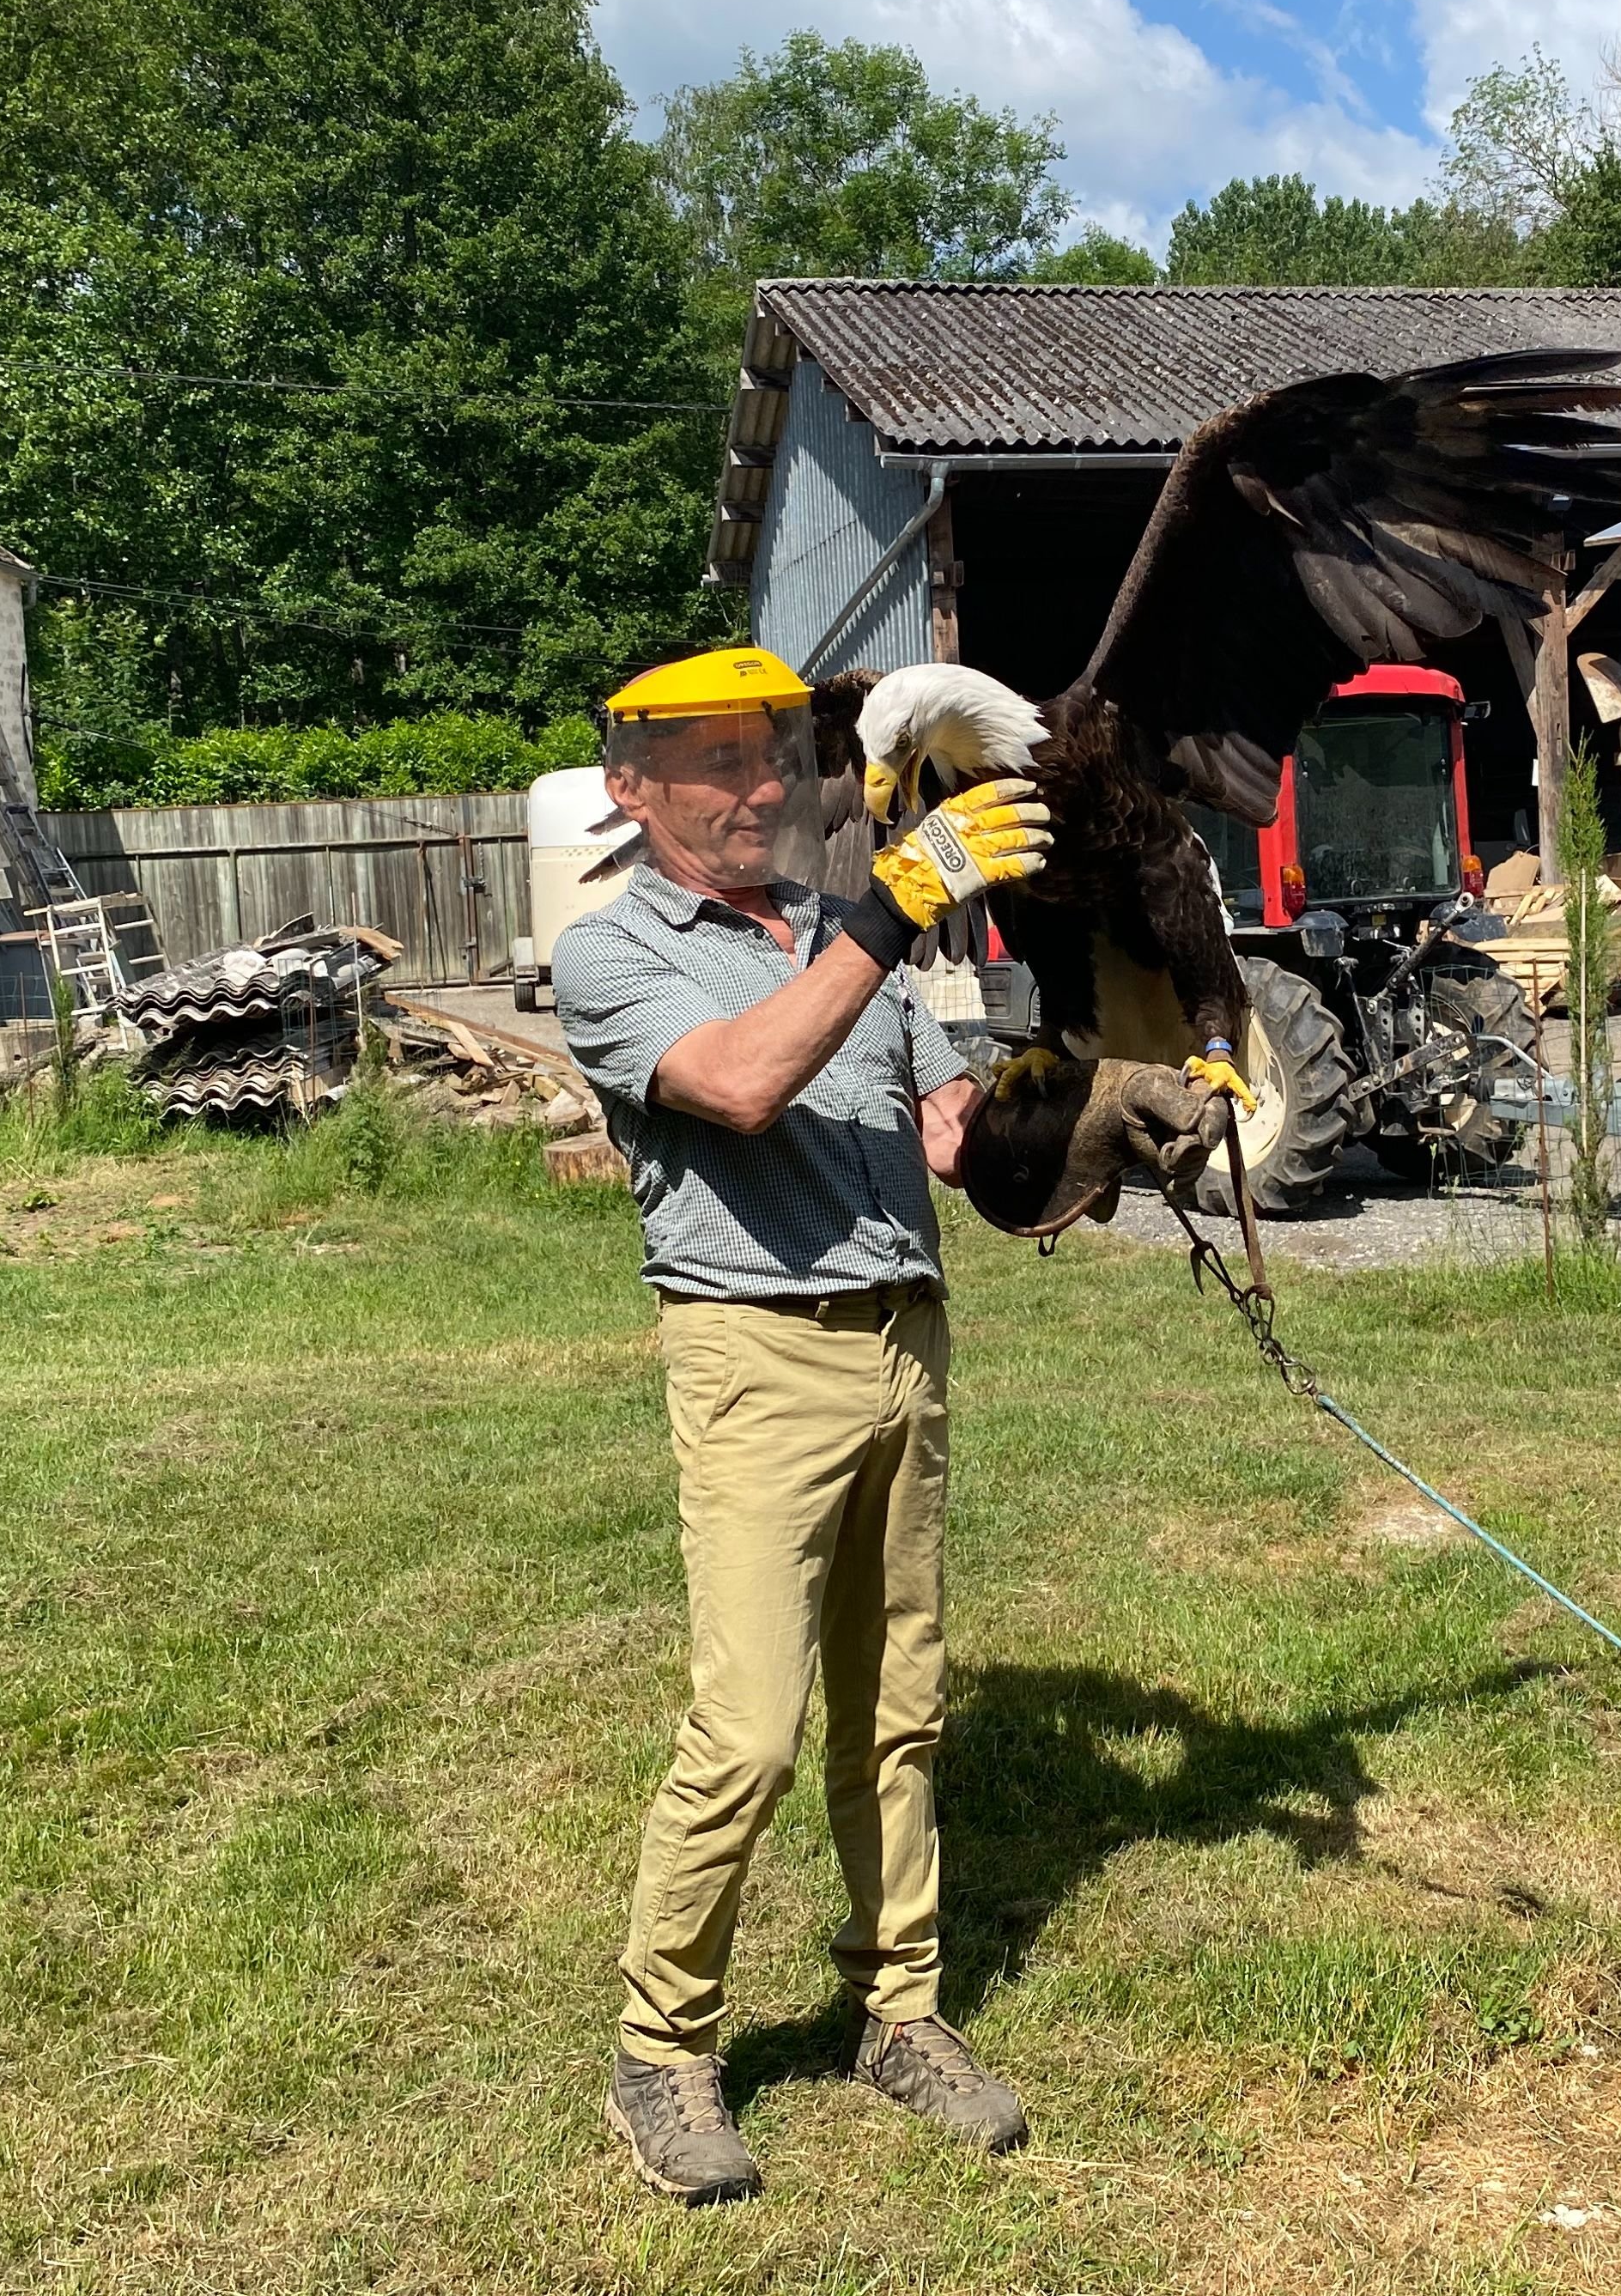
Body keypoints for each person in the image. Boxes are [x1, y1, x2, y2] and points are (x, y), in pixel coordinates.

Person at [552, 647, 1055, 2208]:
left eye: (772, 754)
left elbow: (941, 1137)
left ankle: (896, 2013)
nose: (759, 786)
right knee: (751, 1727)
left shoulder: (856, 942)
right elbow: (751, 1084)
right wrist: (894, 913)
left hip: (906, 1341)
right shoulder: (614, 953)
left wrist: (1090, 1098)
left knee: (896, 1711)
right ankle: (662, 2047)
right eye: (714, 763)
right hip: (756, 1361)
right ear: (633, 791)